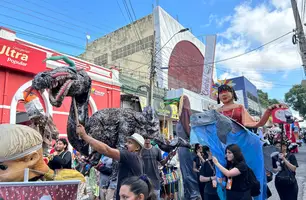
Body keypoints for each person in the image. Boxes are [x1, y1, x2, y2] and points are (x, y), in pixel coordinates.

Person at [76, 124, 144, 200]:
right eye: (127, 142)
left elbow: (106, 150)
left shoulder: (131, 156)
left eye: (130, 143)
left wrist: (84, 136)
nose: (125, 144)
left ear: (137, 148)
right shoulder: (137, 159)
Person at [214, 82, 285, 128]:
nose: (223, 94)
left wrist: (268, 111)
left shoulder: (239, 107)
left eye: (226, 91)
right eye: (220, 93)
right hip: (221, 143)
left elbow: (257, 124)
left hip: (240, 141)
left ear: (233, 93)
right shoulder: (217, 111)